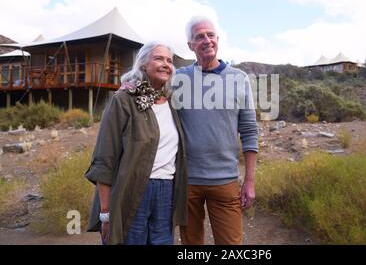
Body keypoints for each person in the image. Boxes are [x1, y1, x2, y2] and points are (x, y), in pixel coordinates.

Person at [85, 42, 187, 245]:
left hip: (166, 191)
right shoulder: (123, 100)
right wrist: (105, 212)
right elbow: (105, 158)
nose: (166, 64)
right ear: (143, 64)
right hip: (132, 190)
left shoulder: (171, 103)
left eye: (169, 60)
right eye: (159, 58)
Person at [174, 16, 259, 245]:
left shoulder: (239, 78)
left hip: (225, 181)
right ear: (190, 45)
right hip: (187, 181)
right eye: (199, 36)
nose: (206, 40)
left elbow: (250, 131)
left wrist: (249, 181)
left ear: (218, 39)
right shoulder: (178, 79)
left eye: (210, 35)